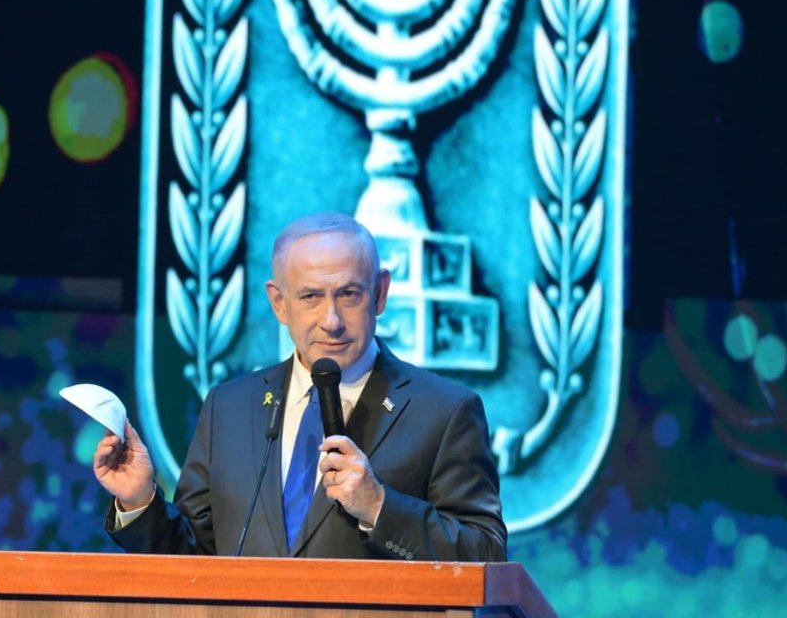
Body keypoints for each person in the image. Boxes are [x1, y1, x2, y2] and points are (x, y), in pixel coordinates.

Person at [93, 212, 506, 561]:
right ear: (279, 302)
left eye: (349, 295)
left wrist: (379, 507)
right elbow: (195, 559)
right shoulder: (229, 407)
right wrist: (139, 501)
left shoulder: (445, 410)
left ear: (380, 293)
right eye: (310, 297)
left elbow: (485, 551)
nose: (331, 321)